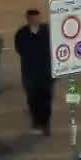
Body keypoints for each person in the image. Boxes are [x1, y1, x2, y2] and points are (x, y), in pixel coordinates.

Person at [14, 8, 53, 136]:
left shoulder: (47, 32)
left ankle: (45, 124)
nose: (37, 20)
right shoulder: (22, 33)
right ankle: (36, 122)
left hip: (46, 73)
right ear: (29, 20)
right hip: (30, 73)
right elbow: (19, 49)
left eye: (38, 18)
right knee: (33, 100)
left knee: (46, 100)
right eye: (34, 19)